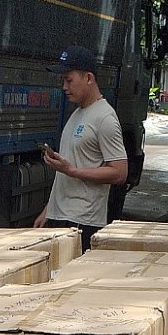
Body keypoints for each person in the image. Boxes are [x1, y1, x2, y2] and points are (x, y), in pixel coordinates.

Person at [34, 45, 127, 251]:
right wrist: (49, 210)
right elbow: (68, 169)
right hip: (60, 217)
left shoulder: (105, 118)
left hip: (83, 222)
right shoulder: (77, 114)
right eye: (63, 81)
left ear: (88, 78)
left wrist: (72, 171)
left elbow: (120, 172)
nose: (64, 87)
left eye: (69, 80)